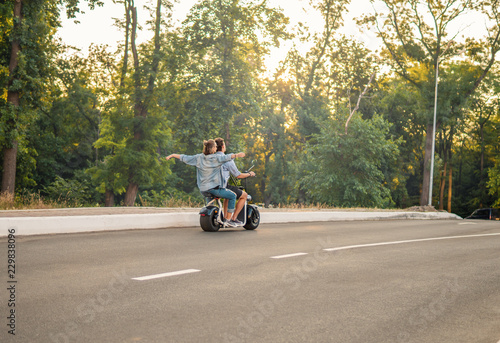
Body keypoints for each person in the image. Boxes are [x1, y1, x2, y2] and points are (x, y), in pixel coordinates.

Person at [166, 139, 245, 227]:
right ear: (213, 148)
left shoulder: (199, 158)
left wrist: (173, 155)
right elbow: (226, 157)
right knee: (232, 196)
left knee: (210, 203)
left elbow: (185, 158)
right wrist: (237, 155)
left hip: (203, 189)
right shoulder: (216, 158)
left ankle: (212, 218)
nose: (216, 148)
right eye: (215, 146)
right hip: (214, 189)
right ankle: (229, 220)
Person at [214, 137, 255, 226]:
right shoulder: (227, 159)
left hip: (211, 186)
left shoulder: (210, 157)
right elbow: (238, 175)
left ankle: (225, 217)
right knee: (244, 195)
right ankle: (233, 218)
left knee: (228, 195)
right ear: (223, 146)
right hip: (222, 186)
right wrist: (249, 174)